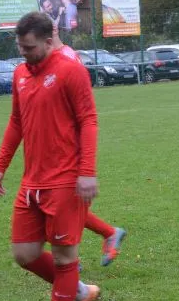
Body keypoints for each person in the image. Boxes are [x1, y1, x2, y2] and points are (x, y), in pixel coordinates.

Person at [0, 12, 100, 301]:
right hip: (32, 182)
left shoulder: (71, 70)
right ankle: (82, 292)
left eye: (30, 47)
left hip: (66, 180)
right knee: (24, 254)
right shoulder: (20, 73)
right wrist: (0, 165)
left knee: (65, 258)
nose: (24, 53)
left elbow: (89, 120)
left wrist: (86, 171)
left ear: (49, 40)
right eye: (20, 47)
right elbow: (16, 121)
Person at [49, 21, 126, 266]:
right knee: (59, 204)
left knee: (63, 205)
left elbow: (81, 111)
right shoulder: (52, 58)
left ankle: (71, 259)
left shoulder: (67, 58)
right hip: (55, 145)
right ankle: (105, 236)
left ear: (52, 32)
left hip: (69, 146)